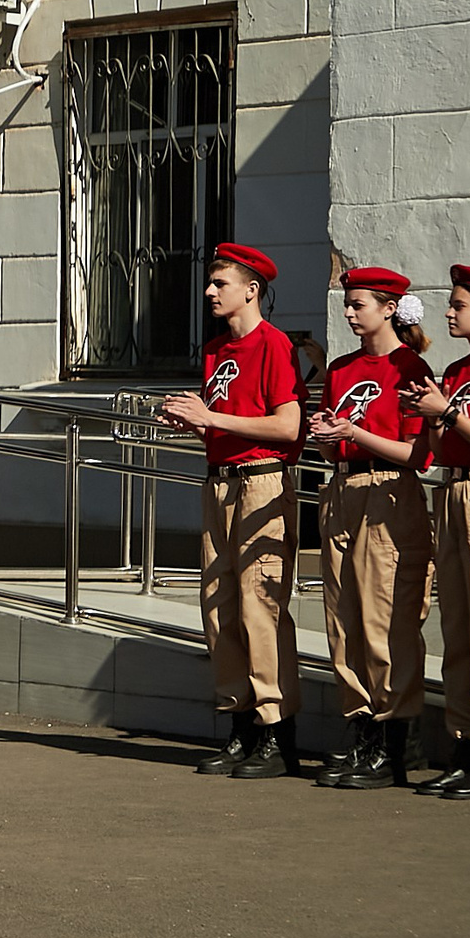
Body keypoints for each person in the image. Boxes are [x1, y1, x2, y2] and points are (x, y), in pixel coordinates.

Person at [159, 242, 305, 780]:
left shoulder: (274, 345)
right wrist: (195, 422)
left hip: (262, 483)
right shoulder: (218, 351)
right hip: (219, 484)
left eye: (220, 283)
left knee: (259, 606)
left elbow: (288, 427)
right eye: (211, 282)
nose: (209, 292)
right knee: (219, 606)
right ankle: (240, 724)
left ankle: (275, 732)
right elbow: (225, 420)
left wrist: (215, 422)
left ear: (251, 290)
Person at [304, 267, 432, 789]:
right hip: (342, 489)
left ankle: (397, 740)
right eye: (347, 304)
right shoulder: (339, 369)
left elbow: (417, 454)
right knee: (344, 618)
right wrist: (327, 437)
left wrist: (355, 430)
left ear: (388, 309)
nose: (350, 313)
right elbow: (336, 444)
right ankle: (363, 736)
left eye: (359, 304)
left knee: (387, 620)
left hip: (389, 490)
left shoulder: (410, 368)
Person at [408, 264, 470, 799]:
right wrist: (433, 419)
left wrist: (451, 416)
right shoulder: (458, 372)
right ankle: (465, 746)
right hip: (454, 492)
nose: (448, 312)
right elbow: (441, 450)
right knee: (458, 626)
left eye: (459, 305)